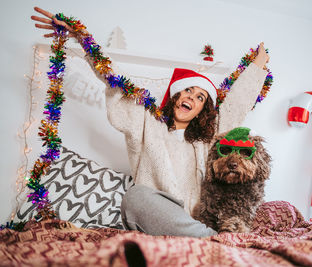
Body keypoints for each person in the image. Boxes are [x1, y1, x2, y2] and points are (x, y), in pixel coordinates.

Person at [31, 7, 270, 237]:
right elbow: (115, 81)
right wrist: (81, 38)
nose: (192, 98)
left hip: (199, 220)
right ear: (176, 96)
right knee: (135, 197)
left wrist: (258, 65)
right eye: (187, 90)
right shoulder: (146, 123)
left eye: (200, 97)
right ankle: (208, 239)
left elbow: (235, 104)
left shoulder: (207, 139)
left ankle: (204, 237)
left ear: (201, 110)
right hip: (159, 216)